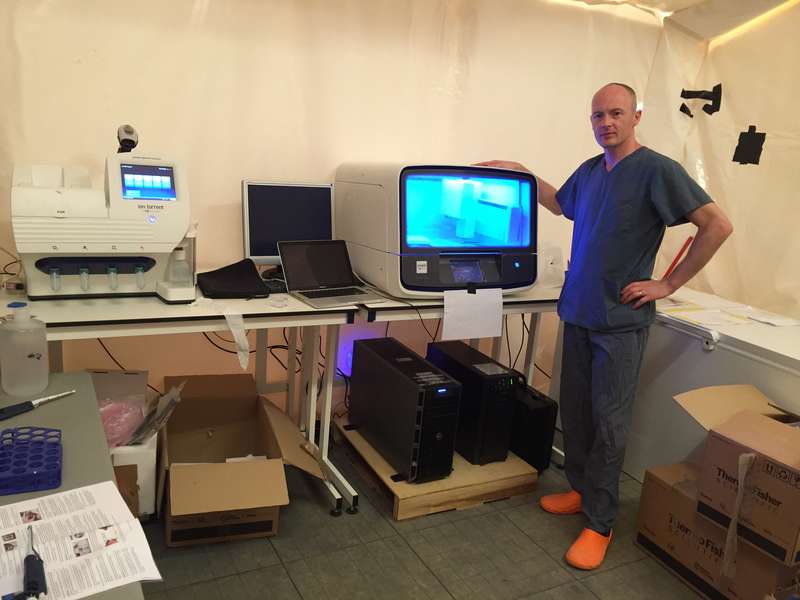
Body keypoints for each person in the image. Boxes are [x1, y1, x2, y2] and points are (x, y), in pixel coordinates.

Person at [478, 82, 733, 570]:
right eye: (598, 116)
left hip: (620, 321)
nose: (606, 123)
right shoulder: (592, 171)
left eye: (616, 113)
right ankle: (580, 489)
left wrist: (667, 283)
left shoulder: (657, 171)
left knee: (609, 423)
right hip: (578, 312)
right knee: (574, 412)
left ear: (636, 116)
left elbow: (716, 224)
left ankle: (600, 521)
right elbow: (560, 204)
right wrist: (523, 174)